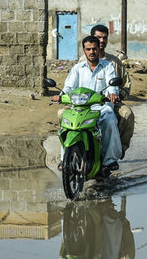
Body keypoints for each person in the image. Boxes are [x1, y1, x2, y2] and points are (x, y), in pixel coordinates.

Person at [53, 36, 122, 171]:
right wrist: (60, 96)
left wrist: (112, 94)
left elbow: (111, 85)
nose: (92, 52)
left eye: (94, 49)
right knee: (65, 122)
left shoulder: (107, 66)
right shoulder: (77, 68)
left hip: (101, 107)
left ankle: (109, 160)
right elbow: (68, 87)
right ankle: (64, 158)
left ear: (99, 49)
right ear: (84, 51)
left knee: (109, 120)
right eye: (88, 49)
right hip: (80, 107)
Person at [89, 25, 135, 159]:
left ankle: (119, 149)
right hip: (87, 103)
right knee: (64, 116)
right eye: (98, 37)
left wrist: (119, 95)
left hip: (110, 103)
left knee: (127, 114)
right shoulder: (82, 62)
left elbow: (126, 84)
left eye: (104, 38)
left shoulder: (114, 63)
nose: (101, 41)